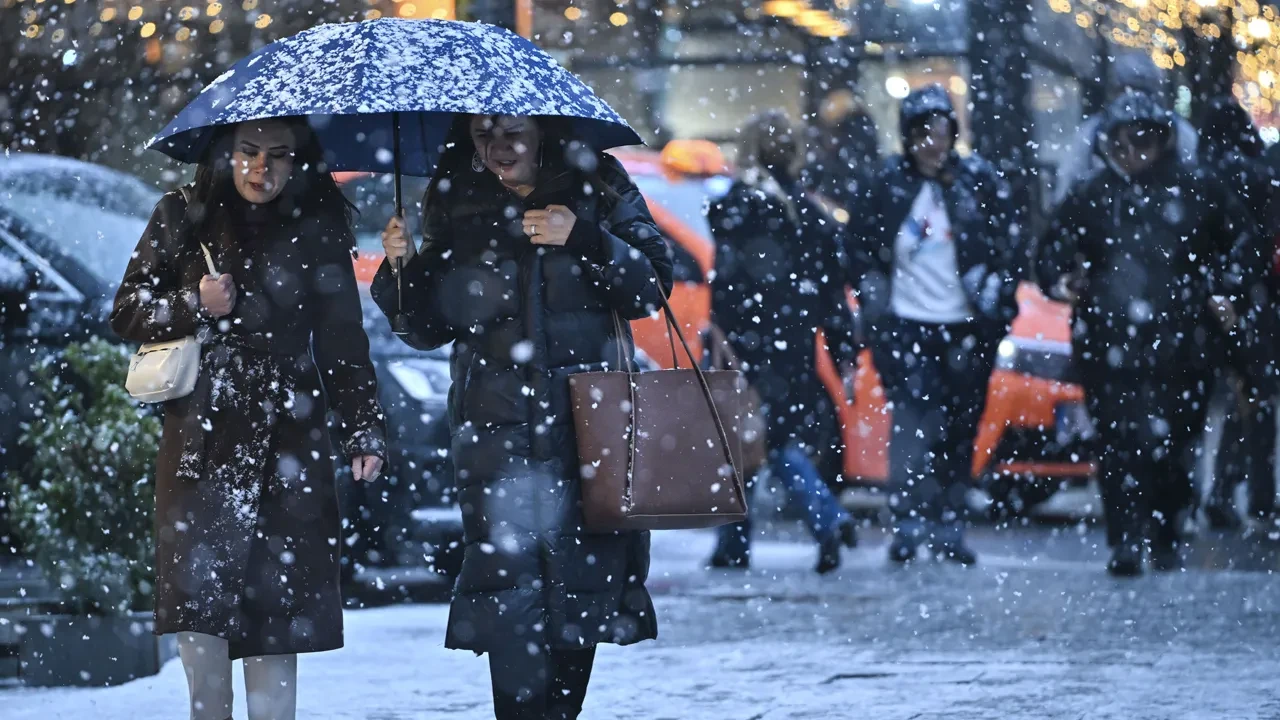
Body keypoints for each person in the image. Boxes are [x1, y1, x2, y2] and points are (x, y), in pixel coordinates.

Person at [370, 113, 672, 720]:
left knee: (579, 596)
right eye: (482, 135)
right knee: (510, 600)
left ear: (541, 132)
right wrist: (400, 269)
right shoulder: (456, 197)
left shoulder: (598, 183)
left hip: (587, 431)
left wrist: (583, 236)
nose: (497, 147)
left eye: (510, 132)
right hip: (495, 435)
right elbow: (425, 327)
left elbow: (653, 287)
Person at [111, 118, 387, 720]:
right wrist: (193, 305)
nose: (263, 169)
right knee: (200, 614)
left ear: (297, 162)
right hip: (202, 434)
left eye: (279, 156)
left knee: (277, 612)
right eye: (249, 152)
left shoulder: (315, 226)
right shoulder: (181, 214)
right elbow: (128, 310)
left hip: (290, 430)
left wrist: (362, 426)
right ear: (225, 154)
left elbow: (342, 339)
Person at [1037, 90, 1265, 576]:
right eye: (1123, 142)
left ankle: (1163, 529)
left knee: (1174, 443)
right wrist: (1063, 278)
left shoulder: (1197, 189)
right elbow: (1050, 248)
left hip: (1183, 342)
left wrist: (1224, 289)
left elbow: (1246, 242)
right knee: (1119, 444)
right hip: (1109, 340)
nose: (1133, 153)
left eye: (1143, 141)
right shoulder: (1093, 195)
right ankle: (1126, 538)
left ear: (1161, 141)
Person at [847, 84, 1022, 566]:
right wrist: (873, 296)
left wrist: (997, 298)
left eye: (941, 131)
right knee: (913, 426)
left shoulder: (977, 182)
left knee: (959, 429)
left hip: (966, 326)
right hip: (906, 326)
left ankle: (949, 525)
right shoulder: (887, 185)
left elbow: (1010, 245)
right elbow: (857, 248)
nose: (933, 142)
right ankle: (908, 523)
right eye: (922, 133)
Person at [705, 110, 861, 575]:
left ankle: (740, 543)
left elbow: (728, 281)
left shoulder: (739, 206)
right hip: (793, 348)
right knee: (776, 442)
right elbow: (832, 291)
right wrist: (841, 348)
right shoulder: (809, 212)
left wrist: (718, 329)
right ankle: (821, 518)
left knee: (740, 445)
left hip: (747, 344)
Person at [1197, 96, 1278, 532]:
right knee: (1254, 401)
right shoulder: (1261, 177)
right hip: (1251, 301)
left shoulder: (1198, 176)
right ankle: (1257, 499)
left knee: (1223, 398)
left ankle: (1217, 494)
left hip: (1204, 300)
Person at [1052, 51, 1199, 208]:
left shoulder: (1179, 131)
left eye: (1141, 91)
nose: (1133, 101)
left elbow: (1191, 180)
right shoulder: (1090, 131)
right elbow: (1068, 182)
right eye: (1127, 90)